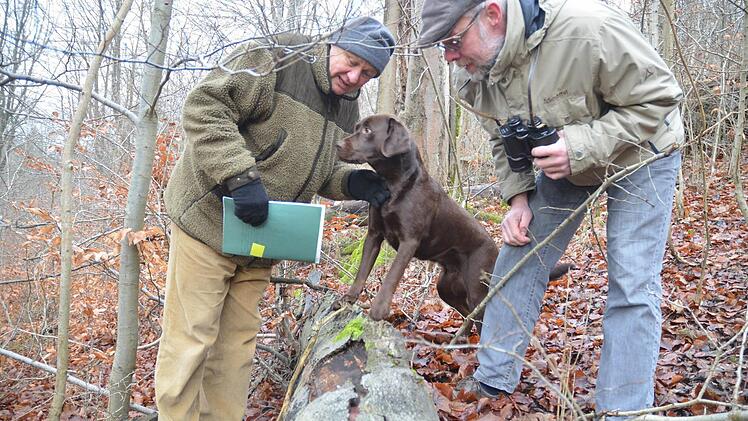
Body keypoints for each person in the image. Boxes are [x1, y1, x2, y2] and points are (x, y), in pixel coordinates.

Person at [418, 0, 683, 417]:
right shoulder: (474, 75)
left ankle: (623, 409)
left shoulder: (588, 29)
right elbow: (502, 140)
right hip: (562, 165)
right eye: (441, 47)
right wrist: (519, 199)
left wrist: (577, 147)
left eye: (453, 41)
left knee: (631, 282)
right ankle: (492, 379)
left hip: (643, 156)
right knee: (517, 257)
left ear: (492, 15)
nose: (450, 56)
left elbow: (659, 100)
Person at [155, 17, 395, 420]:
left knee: (236, 347)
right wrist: (239, 176)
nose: (355, 77)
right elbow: (204, 106)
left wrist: (354, 184)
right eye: (351, 62)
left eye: (367, 73)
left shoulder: (347, 102)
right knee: (191, 340)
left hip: (261, 241)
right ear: (334, 43)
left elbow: (321, 171)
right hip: (208, 224)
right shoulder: (278, 57)